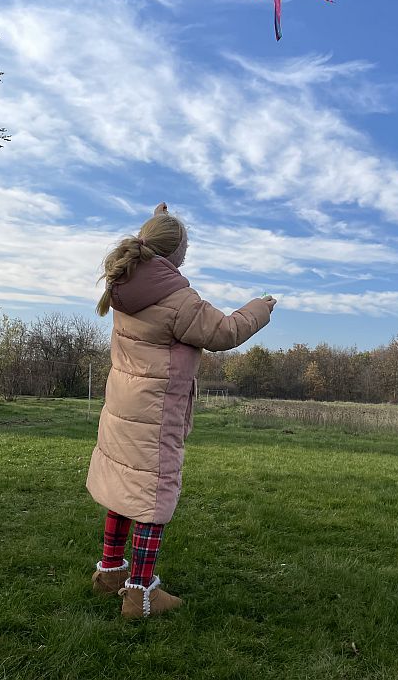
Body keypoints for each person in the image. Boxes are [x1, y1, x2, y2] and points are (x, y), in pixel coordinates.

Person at [86, 202, 276, 619]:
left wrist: (159, 220)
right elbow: (225, 332)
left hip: (123, 406)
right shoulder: (178, 300)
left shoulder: (125, 284)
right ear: (176, 255)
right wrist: (259, 308)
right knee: (152, 494)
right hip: (156, 414)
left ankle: (111, 572)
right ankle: (140, 595)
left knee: (124, 485)